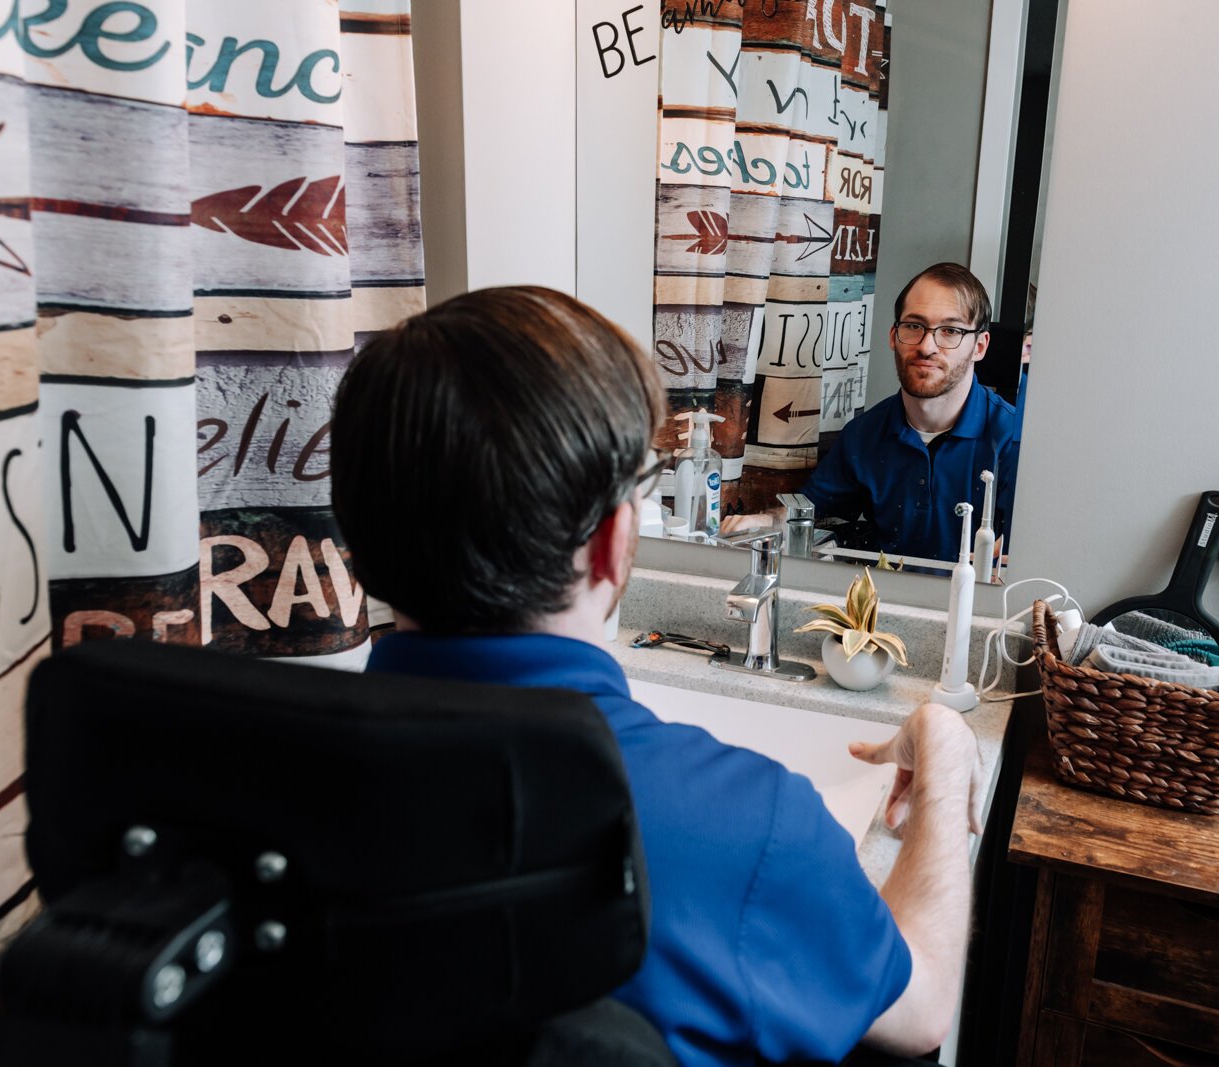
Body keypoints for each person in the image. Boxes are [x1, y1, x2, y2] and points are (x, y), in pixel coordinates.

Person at [330, 286, 982, 1067]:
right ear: (614, 542)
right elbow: (921, 1010)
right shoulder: (751, 825)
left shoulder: (242, 774)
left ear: (355, 542)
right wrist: (942, 752)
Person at [727, 263, 1020, 564]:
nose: (927, 346)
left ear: (980, 346)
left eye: (950, 331)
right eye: (914, 326)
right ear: (893, 336)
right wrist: (768, 522)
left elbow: (1025, 566)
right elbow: (808, 509)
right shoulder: (865, 435)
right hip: (878, 603)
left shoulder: (1012, 441)